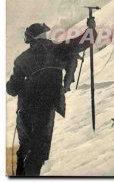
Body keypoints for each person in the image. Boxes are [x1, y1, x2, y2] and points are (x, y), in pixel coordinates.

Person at [6, 19, 97, 176]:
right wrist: (90, 29)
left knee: (25, 147)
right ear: (42, 35)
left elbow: (12, 89)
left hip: (25, 109)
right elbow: (83, 42)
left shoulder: (21, 59)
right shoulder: (57, 49)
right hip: (45, 106)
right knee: (38, 150)